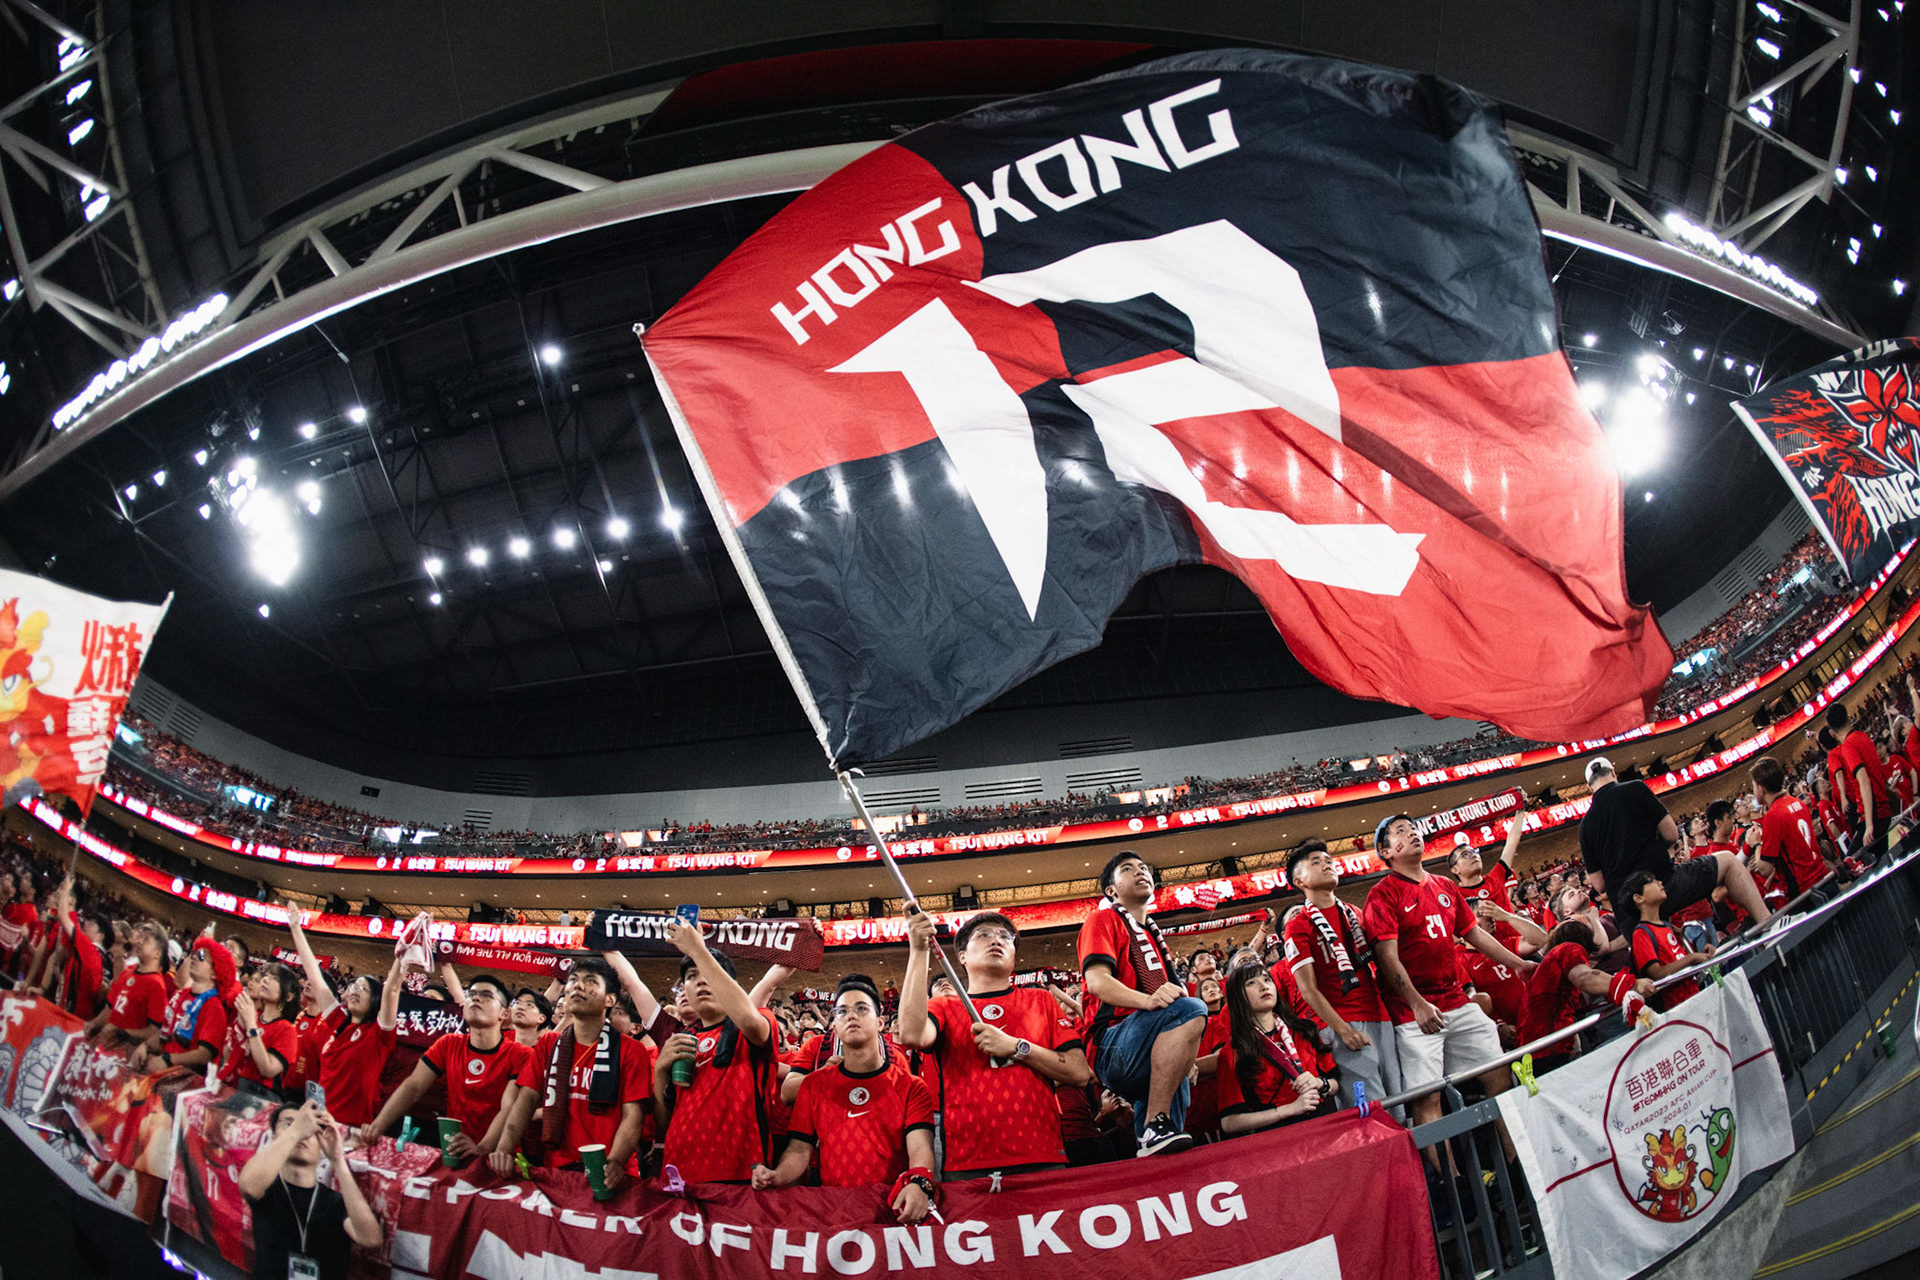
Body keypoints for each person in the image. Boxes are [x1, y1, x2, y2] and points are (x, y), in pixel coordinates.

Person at [1363, 814, 1534, 1129]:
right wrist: (1416, 1003)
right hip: (1413, 1011)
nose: (1413, 833)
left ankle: (1514, 1159)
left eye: (1413, 828)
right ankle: (1449, 1176)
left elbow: (1475, 935)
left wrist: (1519, 963)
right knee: (1428, 1098)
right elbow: (1387, 958)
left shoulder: (1444, 885)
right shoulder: (1382, 894)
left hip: (1455, 1000)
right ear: (1386, 852)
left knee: (1499, 1072)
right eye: (1401, 831)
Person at [899, 908, 1089, 1178]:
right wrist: (918, 950)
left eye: (1005, 936)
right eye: (984, 935)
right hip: (967, 1162)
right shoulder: (943, 1006)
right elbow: (912, 1034)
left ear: (1014, 954)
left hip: (1041, 1153)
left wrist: (1016, 1047)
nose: (997, 940)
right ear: (962, 956)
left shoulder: (1041, 1000)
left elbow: (1079, 1072)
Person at [752, 977, 936, 1223]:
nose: (851, 1016)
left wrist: (919, 1182)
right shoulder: (814, 1086)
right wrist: (778, 1175)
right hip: (834, 1209)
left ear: (881, 1022)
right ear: (834, 1025)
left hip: (893, 1208)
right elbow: (798, 1150)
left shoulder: (911, 1086)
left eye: (861, 1009)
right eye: (842, 1011)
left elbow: (920, 1147)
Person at [1075, 852, 1207, 1156]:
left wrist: (1186, 1056)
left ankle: (1152, 1134)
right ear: (1111, 890)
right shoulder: (1102, 919)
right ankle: (1153, 1120)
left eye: (1143, 867)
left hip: (1152, 1040)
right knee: (1190, 1008)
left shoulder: (1152, 934)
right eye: (1128, 869)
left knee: (1167, 1144)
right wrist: (1147, 1001)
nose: (1140, 871)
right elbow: (1097, 981)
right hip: (1112, 1041)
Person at [493, 957, 650, 1184]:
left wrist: (615, 1162)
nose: (578, 985)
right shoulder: (549, 1044)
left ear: (610, 999)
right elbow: (525, 1101)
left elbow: (632, 1116)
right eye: (574, 980)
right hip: (558, 1170)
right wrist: (504, 1149)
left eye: (590, 981)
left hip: (612, 1173)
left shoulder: (631, 1051)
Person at [1578, 756, 1773, 934]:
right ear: (1613, 773)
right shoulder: (1635, 788)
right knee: (1729, 862)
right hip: (1664, 882)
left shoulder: (1585, 826)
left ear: (1590, 787)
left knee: (1657, 964)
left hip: (1628, 911)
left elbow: (1599, 884)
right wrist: (1651, 850)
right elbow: (1671, 834)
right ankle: (1768, 926)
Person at [650, 920, 779, 1184]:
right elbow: (663, 1125)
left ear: (727, 982)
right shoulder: (683, 1040)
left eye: (708, 972)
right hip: (679, 1177)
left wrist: (699, 950)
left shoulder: (756, 1022)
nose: (700, 981)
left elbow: (752, 1023)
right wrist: (660, 1071)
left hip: (740, 1177)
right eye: (691, 977)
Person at [1282, 841, 1399, 1110]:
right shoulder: (1298, 926)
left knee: (1400, 1103)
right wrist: (1343, 1030)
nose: (1326, 863)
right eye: (1315, 862)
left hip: (1380, 1015)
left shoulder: (1354, 913)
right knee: (1372, 1111)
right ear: (1299, 880)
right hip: (1342, 1023)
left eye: (1328, 859)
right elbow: (1308, 989)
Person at [359, 974, 530, 1158]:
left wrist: (482, 1149)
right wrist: (378, 1126)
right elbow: (413, 1086)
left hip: (499, 1157)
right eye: (471, 994)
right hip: (454, 1150)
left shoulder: (521, 1054)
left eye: (487, 995)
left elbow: (509, 1107)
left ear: (504, 1014)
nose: (476, 998)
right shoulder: (449, 1044)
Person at [238, 1101, 382, 1280]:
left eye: (311, 1129)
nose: (304, 1133)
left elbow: (370, 1239)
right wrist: (297, 1130)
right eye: (289, 1124)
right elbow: (248, 1186)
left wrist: (337, 1159)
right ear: (275, 1137)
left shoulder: (335, 1202)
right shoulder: (268, 1188)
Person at [286, 913, 403, 1127]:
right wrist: (296, 928)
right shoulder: (338, 1021)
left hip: (352, 1129)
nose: (355, 991)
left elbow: (392, 990)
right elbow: (315, 975)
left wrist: (402, 957)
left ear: (375, 999)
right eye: (353, 986)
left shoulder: (379, 1035)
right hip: (317, 1121)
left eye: (363, 988)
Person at [1518, 920, 1652, 1069]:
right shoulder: (1569, 948)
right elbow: (1585, 978)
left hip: (1538, 1048)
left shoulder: (1551, 963)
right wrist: (1632, 984)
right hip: (1548, 1046)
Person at [1215, 962, 1328, 1136]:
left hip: (1323, 1125)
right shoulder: (1233, 1052)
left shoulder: (1304, 1030)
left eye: (1267, 979)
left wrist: (1319, 1082)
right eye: (1251, 983)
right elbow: (1229, 1122)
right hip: (1278, 1139)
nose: (1263, 986)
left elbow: (1335, 1080)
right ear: (1238, 996)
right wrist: (1289, 1109)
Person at [1750, 756, 1839, 900]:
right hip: (1824, 878)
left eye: (1753, 785)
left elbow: (1765, 868)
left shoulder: (1773, 816)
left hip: (1807, 893)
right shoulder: (1797, 802)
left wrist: (1756, 844)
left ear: (1761, 788)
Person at [1622, 872, 1710, 1010]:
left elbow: (1678, 959)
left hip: (1693, 997)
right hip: (1675, 1009)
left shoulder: (1667, 927)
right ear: (1638, 898)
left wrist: (1702, 953)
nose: (1660, 883)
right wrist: (1691, 959)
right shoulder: (1641, 934)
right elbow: (1657, 974)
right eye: (1651, 881)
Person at [87, 920, 170, 1048]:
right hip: (104, 1045)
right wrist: (92, 1025)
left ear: (157, 954)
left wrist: (123, 1033)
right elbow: (109, 1010)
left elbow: (155, 1032)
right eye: (141, 938)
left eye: (146, 940)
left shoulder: (156, 985)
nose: (140, 942)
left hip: (125, 1052)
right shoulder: (126, 974)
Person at [224, 962, 303, 1095]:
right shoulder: (253, 1016)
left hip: (261, 1096)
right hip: (236, 1086)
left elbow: (267, 1069)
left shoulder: (287, 1030)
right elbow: (229, 1056)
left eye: (275, 979)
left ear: (289, 996)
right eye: (266, 976)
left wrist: (250, 1025)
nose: (266, 979)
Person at [1828, 702, 1895, 850]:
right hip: (1881, 808)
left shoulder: (1848, 746)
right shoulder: (1863, 737)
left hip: (1874, 814)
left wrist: (1869, 825)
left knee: (1853, 864)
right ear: (1848, 718)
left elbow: (1864, 781)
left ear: (1833, 733)